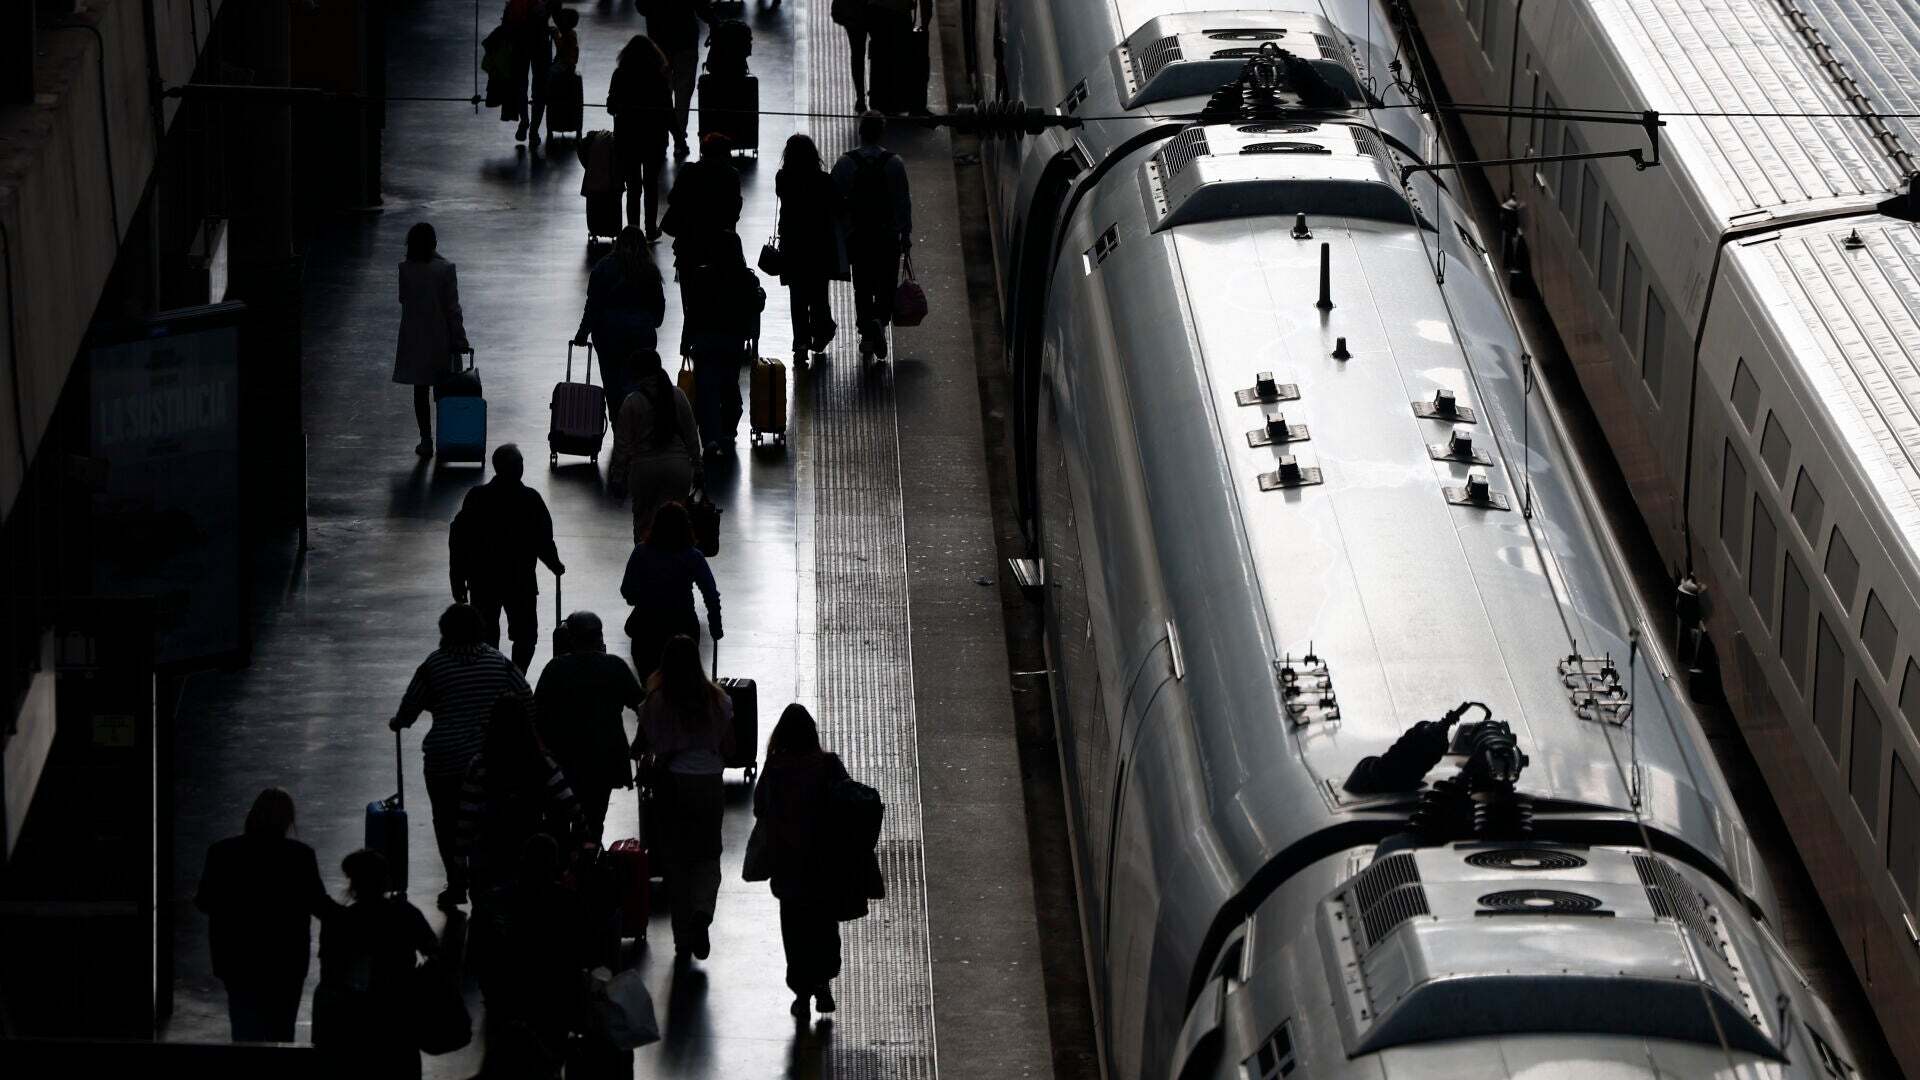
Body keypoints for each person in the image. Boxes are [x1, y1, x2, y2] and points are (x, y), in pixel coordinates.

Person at [390, 603, 533, 910]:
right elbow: (525, 699)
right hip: (490, 759)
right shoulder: (498, 663)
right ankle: (487, 878)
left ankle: (456, 881)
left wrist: (399, 721)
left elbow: (409, 709)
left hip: (446, 760)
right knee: (485, 819)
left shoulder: (434, 666)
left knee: (446, 820)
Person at [195, 788, 339, 1042]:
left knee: (243, 1027)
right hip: (286, 958)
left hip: (237, 956)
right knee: (282, 1028)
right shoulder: (300, 856)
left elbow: (205, 902)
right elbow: (320, 905)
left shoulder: (221, 852)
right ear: (287, 820)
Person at [631, 633, 735, 960]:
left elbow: (639, 746)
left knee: (676, 863)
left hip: (670, 785)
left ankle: (682, 941)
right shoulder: (718, 700)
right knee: (707, 855)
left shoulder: (655, 703)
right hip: (708, 783)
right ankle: (702, 911)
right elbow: (730, 748)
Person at [753, 706, 850, 1022]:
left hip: (787, 864)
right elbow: (850, 800)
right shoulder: (828, 764)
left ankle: (801, 993)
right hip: (824, 863)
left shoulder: (776, 766)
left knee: (794, 929)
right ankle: (823, 982)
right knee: (823, 924)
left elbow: (758, 806)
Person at [311, 850, 438, 1079]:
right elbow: (434, 953)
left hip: (353, 1024)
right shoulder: (405, 914)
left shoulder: (341, 922)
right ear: (385, 880)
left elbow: (329, 977)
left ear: (352, 883)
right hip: (398, 1018)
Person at [449, 444, 567, 673]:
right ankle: (516, 675)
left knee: (485, 634)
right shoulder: (530, 499)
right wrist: (554, 564)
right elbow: (542, 539)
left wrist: (458, 578)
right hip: (520, 580)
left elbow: (460, 541)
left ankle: (490, 675)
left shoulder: (477, 497)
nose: (521, 468)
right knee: (526, 635)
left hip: (483, 580)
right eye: (519, 464)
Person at [533, 611, 645, 845]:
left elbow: (537, 716)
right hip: (603, 760)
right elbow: (643, 707)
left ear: (571, 639)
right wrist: (640, 742)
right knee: (594, 821)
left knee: (558, 822)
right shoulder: (614, 667)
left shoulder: (555, 670)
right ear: (600, 637)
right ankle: (590, 865)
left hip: (563, 761)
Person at [832, 112, 913, 362]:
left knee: (863, 286)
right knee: (887, 284)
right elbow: (903, 202)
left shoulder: (846, 162)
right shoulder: (894, 163)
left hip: (858, 236)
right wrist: (905, 234)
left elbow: (834, 199)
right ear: (881, 132)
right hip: (887, 235)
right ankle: (880, 320)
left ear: (860, 131)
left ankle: (867, 334)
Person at [620, 500, 722, 682]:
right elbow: (711, 594)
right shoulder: (693, 556)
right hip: (683, 627)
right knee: (681, 684)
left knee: (649, 685)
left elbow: (627, 590)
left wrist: (643, 598)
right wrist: (716, 625)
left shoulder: (641, 552)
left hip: (646, 629)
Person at [393, 222, 470, 458]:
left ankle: (426, 439)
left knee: (420, 390)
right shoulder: (445, 270)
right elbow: (452, 309)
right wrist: (460, 339)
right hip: (441, 339)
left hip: (415, 339)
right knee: (445, 389)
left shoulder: (405, 269)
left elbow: (403, 299)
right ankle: (449, 437)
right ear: (434, 244)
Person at [677, 224, 756, 455]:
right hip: (732, 341)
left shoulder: (702, 275)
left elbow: (692, 312)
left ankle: (710, 437)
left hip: (705, 340)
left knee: (707, 389)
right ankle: (729, 429)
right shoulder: (744, 276)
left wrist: (685, 340)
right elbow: (755, 304)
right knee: (729, 384)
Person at [607, 349, 702, 541]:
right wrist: (698, 469)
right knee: (676, 528)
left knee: (644, 529)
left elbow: (622, 446)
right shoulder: (678, 395)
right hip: (678, 469)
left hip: (644, 471)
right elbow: (692, 436)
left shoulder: (631, 402)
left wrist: (617, 477)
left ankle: (647, 567)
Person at [574, 228, 668, 421]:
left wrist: (583, 332)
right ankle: (640, 426)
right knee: (640, 384)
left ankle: (621, 430)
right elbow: (658, 311)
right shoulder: (649, 270)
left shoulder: (603, 268)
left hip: (609, 338)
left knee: (614, 387)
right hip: (642, 337)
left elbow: (593, 305)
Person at [774, 134, 846, 370]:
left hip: (793, 245)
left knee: (797, 296)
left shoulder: (783, 178)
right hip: (819, 245)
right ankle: (823, 329)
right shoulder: (823, 180)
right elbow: (838, 205)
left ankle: (800, 344)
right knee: (817, 293)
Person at [605, 35, 674, 236]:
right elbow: (667, 111)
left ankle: (633, 229)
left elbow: (611, 106)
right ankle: (651, 228)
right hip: (654, 138)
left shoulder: (620, 75)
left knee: (633, 187)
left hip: (628, 138)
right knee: (651, 184)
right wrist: (679, 137)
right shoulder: (659, 77)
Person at [643, 0, 717, 158]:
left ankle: (661, 140)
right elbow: (701, 7)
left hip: (659, 43)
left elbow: (642, 7)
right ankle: (679, 139)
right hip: (685, 40)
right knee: (683, 95)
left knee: (660, 95)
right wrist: (714, 21)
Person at [503, 0, 553, 146]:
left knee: (521, 84)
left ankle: (525, 122)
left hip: (520, 39)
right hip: (540, 40)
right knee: (540, 87)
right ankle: (534, 130)